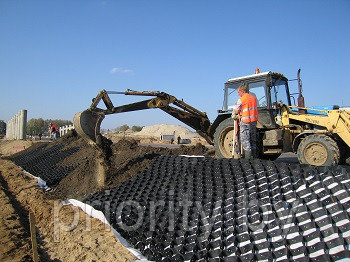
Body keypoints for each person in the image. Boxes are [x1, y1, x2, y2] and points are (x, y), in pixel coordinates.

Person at [232, 84, 258, 159]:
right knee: (253, 140)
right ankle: (255, 159)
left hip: (245, 122)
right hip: (253, 122)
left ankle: (248, 160)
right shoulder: (253, 98)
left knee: (245, 141)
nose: (238, 94)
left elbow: (236, 111)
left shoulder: (241, 99)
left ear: (242, 91)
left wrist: (235, 114)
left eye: (239, 92)